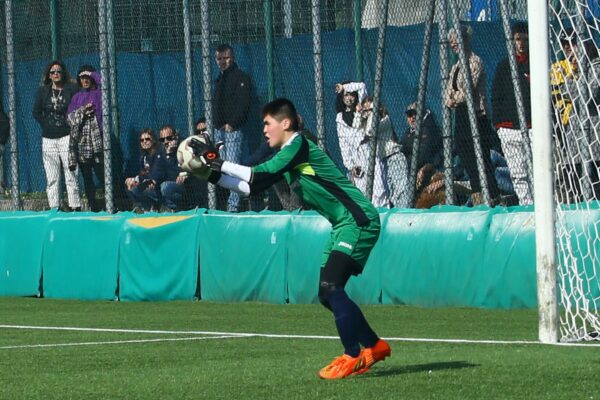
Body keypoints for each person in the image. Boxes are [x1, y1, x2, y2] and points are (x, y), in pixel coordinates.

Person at [189, 98, 391, 379]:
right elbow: (250, 187)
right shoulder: (289, 154)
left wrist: (215, 160)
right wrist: (209, 175)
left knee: (332, 287)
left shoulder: (299, 144)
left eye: (267, 123)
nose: (264, 130)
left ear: (285, 123)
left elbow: (258, 172)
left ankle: (353, 354)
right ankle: (374, 345)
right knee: (326, 293)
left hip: (359, 220)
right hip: (343, 224)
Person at [444, 26, 502, 205]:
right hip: (461, 116)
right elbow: (448, 92)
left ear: (466, 41)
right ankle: (478, 196)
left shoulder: (475, 61)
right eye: (451, 41)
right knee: (465, 153)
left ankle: (492, 196)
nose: (453, 43)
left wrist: (455, 97)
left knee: (481, 158)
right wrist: (451, 99)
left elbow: (469, 89)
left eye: (457, 40)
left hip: (476, 116)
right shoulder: (456, 67)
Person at [492, 22, 533, 205]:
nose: (521, 44)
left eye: (525, 39)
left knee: (538, 169)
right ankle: (527, 205)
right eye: (517, 39)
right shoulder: (504, 66)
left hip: (532, 126)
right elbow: (496, 95)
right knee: (518, 173)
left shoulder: (537, 64)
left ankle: (542, 204)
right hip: (509, 128)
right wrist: (500, 125)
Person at [32, 60, 81, 211]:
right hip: (48, 138)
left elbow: (78, 107)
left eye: (58, 71)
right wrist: (46, 124)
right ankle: (54, 207)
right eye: (52, 72)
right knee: (52, 175)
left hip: (66, 136)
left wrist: (71, 125)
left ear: (63, 73)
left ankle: (75, 206)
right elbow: (36, 112)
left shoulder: (71, 89)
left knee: (71, 172)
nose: (55, 74)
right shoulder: (43, 91)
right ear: (49, 75)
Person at [213, 44, 251, 212]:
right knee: (220, 167)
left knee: (233, 168)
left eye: (226, 58)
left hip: (232, 130)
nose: (223, 62)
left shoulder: (241, 77)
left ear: (233, 57)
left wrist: (233, 123)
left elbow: (243, 104)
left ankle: (233, 205)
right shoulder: (218, 79)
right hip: (218, 130)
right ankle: (221, 202)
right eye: (219, 59)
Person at [354, 97, 405, 208]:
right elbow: (356, 131)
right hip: (382, 161)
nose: (368, 113)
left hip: (393, 158)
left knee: (400, 192)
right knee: (388, 192)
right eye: (365, 110)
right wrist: (358, 113)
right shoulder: (366, 122)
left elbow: (370, 131)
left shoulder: (385, 120)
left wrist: (373, 112)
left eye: (371, 109)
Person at [67, 65, 104, 212]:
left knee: (103, 175)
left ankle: (111, 204)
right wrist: (83, 111)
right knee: (87, 178)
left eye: (87, 77)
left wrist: (93, 74)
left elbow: (106, 83)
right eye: (82, 77)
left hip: (99, 142)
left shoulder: (99, 93)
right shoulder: (77, 97)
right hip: (83, 144)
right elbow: (69, 117)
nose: (85, 80)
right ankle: (93, 206)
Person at [335, 81, 368, 179]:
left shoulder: (361, 108)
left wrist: (344, 87)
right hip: (356, 161)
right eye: (346, 95)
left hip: (368, 152)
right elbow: (343, 144)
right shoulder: (340, 118)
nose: (349, 98)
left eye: (351, 95)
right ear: (342, 98)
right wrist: (350, 166)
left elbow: (362, 86)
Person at [125, 128, 161, 213]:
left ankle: (161, 206)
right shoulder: (143, 157)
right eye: (142, 140)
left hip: (158, 184)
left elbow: (158, 171)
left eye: (147, 139)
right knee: (132, 187)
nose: (144, 141)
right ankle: (146, 208)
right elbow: (144, 173)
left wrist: (143, 179)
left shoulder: (159, 154)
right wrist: (134, 180)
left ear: (154, 140)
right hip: (148, 183)